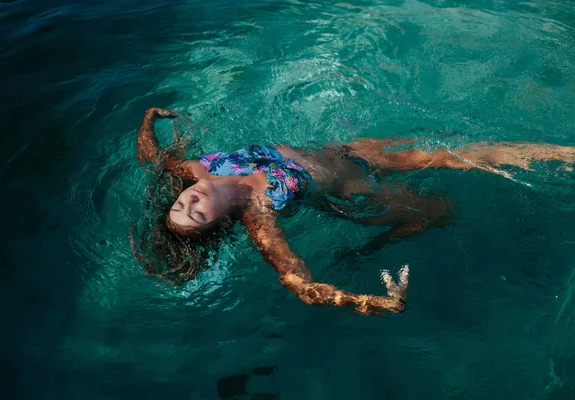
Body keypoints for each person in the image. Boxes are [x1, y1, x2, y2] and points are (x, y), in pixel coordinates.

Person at [131, 107, 575, 315]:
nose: (189, 200)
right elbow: (296, 281)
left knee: (460, 154)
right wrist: (369, 303)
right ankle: (384, 239)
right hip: (357, 189)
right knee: (441, 211)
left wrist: (149, 118)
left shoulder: (192, 169)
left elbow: (149, 157)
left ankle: (564, 154)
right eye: (196, 213)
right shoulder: (258, 215)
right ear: (218, 221)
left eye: (182, 203)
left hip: (346, 151)